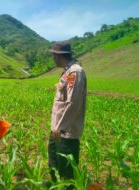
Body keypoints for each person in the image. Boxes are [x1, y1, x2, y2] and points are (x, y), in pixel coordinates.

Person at [47, 41, 87, 189]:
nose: (53, 59)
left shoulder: (74, 72)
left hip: (65, 133)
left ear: (58, 56)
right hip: (57, 130)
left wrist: (60, 128)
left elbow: (73, 102)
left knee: (67, 173)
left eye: (53, 55)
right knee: (54, 164)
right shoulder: (67, 71)